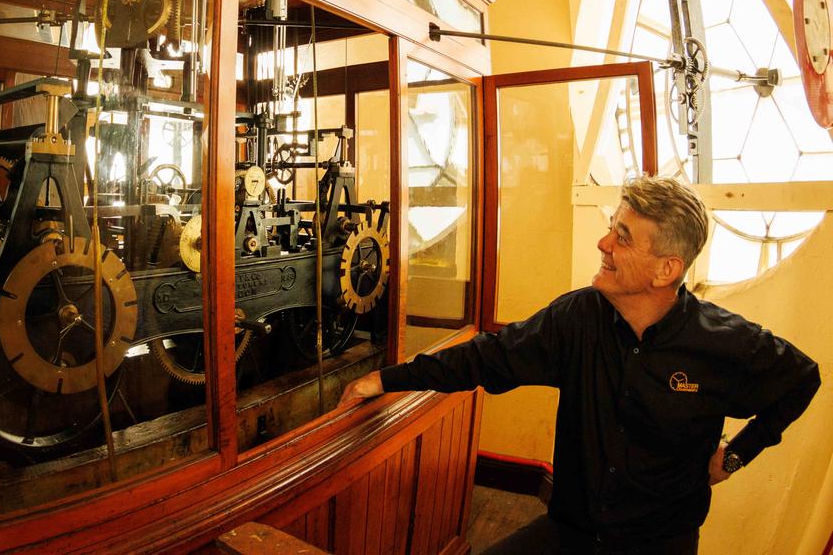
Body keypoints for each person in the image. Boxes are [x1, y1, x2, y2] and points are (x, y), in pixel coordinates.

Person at [338, 176, 820, 555]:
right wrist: (382, 380)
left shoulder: (724, 342)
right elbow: (487, 357)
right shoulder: (578, 317)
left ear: (665, 270)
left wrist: (736, 455)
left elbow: (802, 380)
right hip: (570, 535)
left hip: (660, 545)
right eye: (612, 226)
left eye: (623, 237)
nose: (604, 243)